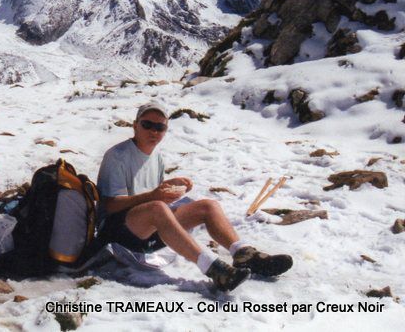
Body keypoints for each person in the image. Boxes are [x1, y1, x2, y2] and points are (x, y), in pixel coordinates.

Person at [96, 101, 292, 291]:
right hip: (117, 235)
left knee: (208, 206)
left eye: (160, 127)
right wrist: (155, 196)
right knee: (158, 208)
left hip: (148, 228)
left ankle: (244, 254)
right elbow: (111, 205)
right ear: (135, 126)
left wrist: (168, 188)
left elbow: (150, 195)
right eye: (147, 125)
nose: (154, 131)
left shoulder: (156, 157)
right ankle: (214, 269)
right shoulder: (117, 156)